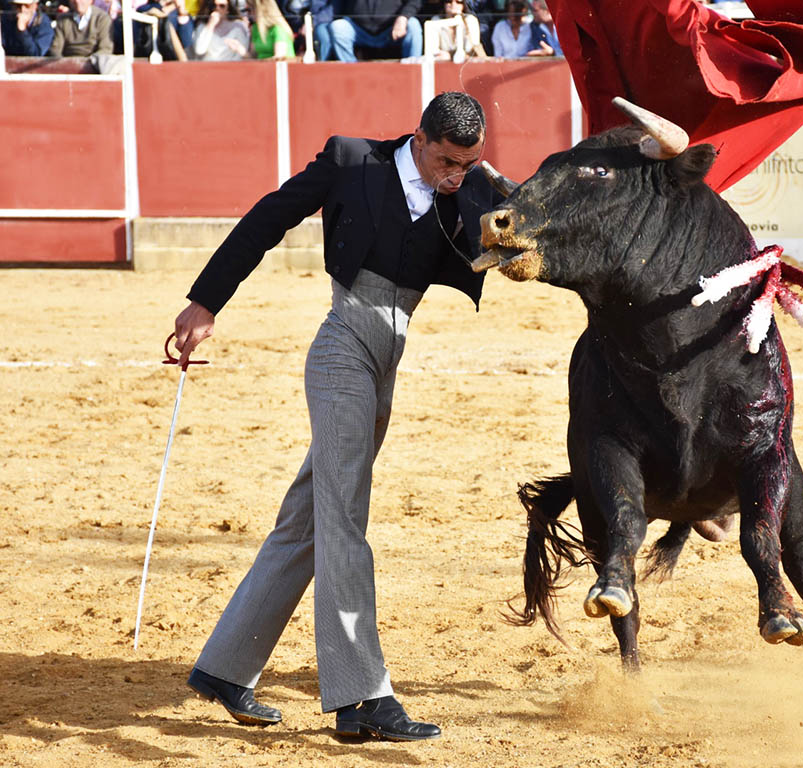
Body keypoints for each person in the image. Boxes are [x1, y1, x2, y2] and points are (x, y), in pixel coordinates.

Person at [175, 91, 503, 742]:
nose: (456, 175)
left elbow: (526, 230)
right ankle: (361, 698)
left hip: (386, 360)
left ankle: (225, 667)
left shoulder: (472, 188)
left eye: (468, 163)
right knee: (345, 518)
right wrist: (206, 302)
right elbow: (269, 217)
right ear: (419, 138)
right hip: (342, 352)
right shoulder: (352, 162)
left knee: (308, 519)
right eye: (447, 160)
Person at [323, 0, 423, 61]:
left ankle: (412, 69)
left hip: (391, 30)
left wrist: (403, 17)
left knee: (413, 24)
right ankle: (351, 71)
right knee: (338, 26)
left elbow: (415, 1)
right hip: (358, 30)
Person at [48, 0, 115, 56]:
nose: (77, 1)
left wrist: (88, 63)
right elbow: (55, 48)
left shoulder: (102, 19)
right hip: (67, 63)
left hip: (94, 63)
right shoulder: (63, 19)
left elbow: (106, 49)